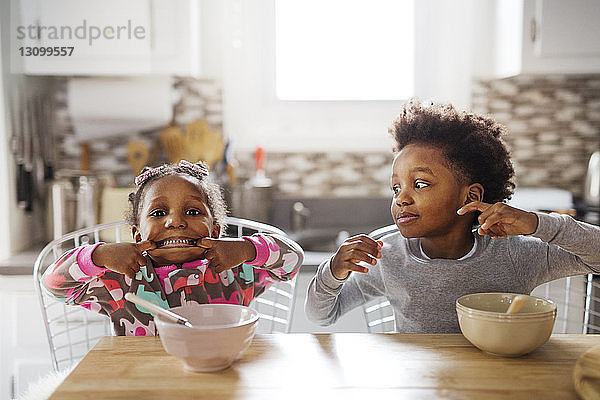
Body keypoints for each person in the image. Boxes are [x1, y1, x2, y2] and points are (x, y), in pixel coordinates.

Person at [305, 98, 600, 333]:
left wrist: (537, 223)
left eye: (419, 184)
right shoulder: (389, 257)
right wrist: (333, 271)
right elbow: (321, 315)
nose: (401, 198)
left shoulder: (514, 255)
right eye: (395, 187)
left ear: (470, 197)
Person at [42, 160, 304, 336]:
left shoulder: (237, 271)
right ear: (137, 235)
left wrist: (247, 250)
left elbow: (293, 260)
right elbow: (53, 286)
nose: (175, 221)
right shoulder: (119, 280)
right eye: (158, 212)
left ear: (215, 232)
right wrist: (97, 257)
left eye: (192, 211)